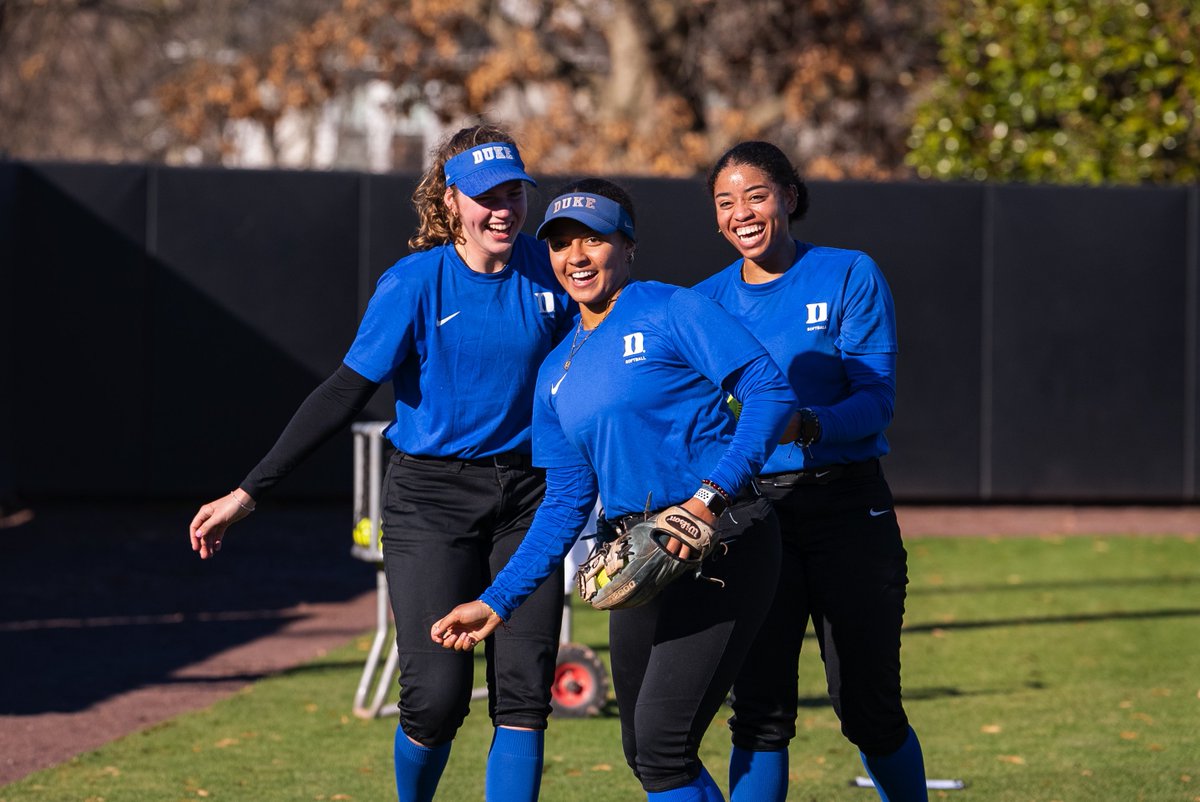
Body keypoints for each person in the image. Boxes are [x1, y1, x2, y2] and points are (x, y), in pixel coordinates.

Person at [189, 124, 577, 802]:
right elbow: (343, 392)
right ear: (450, 201)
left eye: (514, 193)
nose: (503, 210)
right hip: (431, 500)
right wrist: (248, 493)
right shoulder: (413, 283)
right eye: (486, 196)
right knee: (436, 698)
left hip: (529, 496)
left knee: (524, 690)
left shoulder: (552, 272)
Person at [430, 179, 798, 801]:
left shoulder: (671, 308)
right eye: (560, 244)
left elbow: (770, 391)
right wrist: (495, 603)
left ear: (628, 245)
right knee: (644, 752)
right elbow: (564, 503)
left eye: (593, 239)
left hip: (721, 539)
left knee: (662, 747)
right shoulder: (556, 369)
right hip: (634, 555)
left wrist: (708, 498)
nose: (575, 256)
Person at [693, 141, 928, 802]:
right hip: (753, 515)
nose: (742, 212)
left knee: (870, 712)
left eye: (756, 195)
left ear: (789, 197)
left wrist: (805, 426)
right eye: (726, 202)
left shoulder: (848, 273)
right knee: (759, 714)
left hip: (847, 509)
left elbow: (876, 401)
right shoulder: (702, 303)